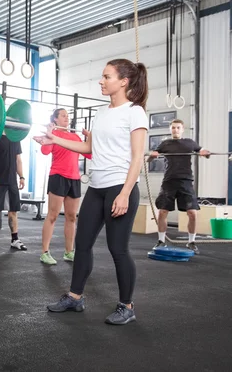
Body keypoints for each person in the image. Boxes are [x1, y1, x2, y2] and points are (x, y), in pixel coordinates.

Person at [34, 58, 149, 325]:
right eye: (102, 76)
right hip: (96, 187)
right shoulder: (101, 112)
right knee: (82, 244)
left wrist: (124, 192)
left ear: (124, 81)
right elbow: (88, 149)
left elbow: (136, 158)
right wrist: (54, 139)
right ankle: (75, 297)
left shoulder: (135, 112)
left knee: (117, 249)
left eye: (107, 77)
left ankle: (126, 306)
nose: (101, 80)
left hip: (120, 186)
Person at [148, 119, 210, 255]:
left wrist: (205, 153)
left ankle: (191, 242)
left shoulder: (189, 143)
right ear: (171, 130)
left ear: (182, 129)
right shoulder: (165, 144)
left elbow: (202, 151)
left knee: (192, 213)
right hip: (169, 181)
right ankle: (161, 240)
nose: (175, 130)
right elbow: (151, 157)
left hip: (186, 181)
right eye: (173, 128)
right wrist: (152, 156)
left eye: (178, 128)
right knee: (163, 212)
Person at [39, 109, 91, 265]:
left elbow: (90, 154)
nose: (67, 118)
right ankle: (45, 252)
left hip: (74, 178)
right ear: (55, 119)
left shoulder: (75, 136)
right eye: (63, 116)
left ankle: (69, 252)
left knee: (71, 217)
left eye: (68, 116)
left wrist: (89, 137)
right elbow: (44, 151)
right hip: (58, 177)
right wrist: (49, 134)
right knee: (53, 216)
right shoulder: (54, 135)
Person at [0, 133, 26, 251]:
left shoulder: (15, 138)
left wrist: (21, 177)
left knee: (13, 211)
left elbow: (18, 160)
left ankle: (15, 240)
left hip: (12, 181)